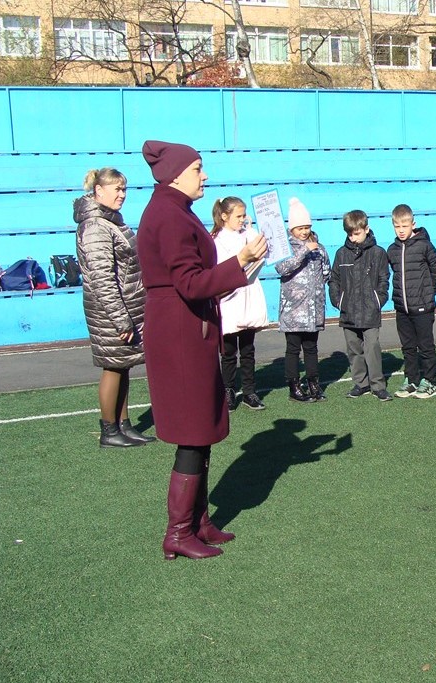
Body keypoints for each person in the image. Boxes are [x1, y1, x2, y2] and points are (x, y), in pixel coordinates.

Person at [136, 140, 266, 561]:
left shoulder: (176, 210)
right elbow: (190, 283)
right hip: (180, 332)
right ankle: (178, 532)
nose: (204, 175)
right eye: (197, 168)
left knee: (201, 430)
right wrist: (240, 259)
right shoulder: (168, 214)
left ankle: (198, 521)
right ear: (176, 174)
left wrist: (243, 264)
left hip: (189, 328)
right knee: (192, 433)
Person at [75, 166, 152, 448]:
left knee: (123, 365)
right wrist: (121, 319)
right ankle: (109, 430)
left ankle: (124, 425)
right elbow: (102, 279)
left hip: (126, 307)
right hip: (109, 311)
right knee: (113, 367)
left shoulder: (111, 221)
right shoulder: (96, 226)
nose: (122, 194)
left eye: (124, 189)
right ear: (99, 190)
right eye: (117, 189)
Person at [211, 196, 268, 411]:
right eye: (238, 216)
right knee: (227, 351)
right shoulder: (216, 239)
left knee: (248, 348)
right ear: (225, 216)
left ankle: (249, 391)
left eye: (244, 215)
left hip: (247, 294)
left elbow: (263, 249)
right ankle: (228, 390)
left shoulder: (247, 234)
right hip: (229, 297)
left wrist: (252, 230)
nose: (242, 219)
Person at [329, 209, 391, 401]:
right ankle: (361, 383)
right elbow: (334, 280)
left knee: (372, 348)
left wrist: (378, 300)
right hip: (348, 311)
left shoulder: (378, 253)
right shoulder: (341, 254)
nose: (353, 238)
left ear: (366, 229)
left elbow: (384, 279)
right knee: (354, 349)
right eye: (350, 234)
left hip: (370, 311)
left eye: (356, 233)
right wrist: (338, 301)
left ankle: (378, 385)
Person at [277, 198, 330, 403]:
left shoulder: (319, 247)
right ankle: (294, 385)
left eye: (307, 227)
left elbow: (326, 271)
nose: (304, 232)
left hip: (313, 309)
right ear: (292, 229)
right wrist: (303, 251)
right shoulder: (286, 248)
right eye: (300, 228)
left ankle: (313, 382)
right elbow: (282, 268)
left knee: (311, 347)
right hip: (293, 310)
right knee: (293, 348)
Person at [387, 204, 436, 399]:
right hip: (402, 308)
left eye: (404, 226)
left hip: (422, 306)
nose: (401, 230)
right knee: (408, 346)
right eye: (397, 226)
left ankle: (429, 380)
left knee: (425, 345)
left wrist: (429, 293)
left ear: (413, 224)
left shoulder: (424, 246)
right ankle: (411, 379)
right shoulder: (392, 249)